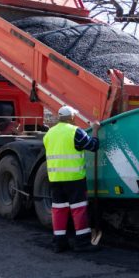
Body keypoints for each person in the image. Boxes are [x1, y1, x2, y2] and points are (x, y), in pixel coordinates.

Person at [43, 105, 100, 253]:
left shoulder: (49, 133)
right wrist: (95, 130)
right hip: (74, 179)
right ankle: (82, 243)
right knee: (78, 209)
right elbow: (93, 146)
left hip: (55, 178)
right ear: (72, 117)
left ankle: (59, 243)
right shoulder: (75, 131)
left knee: (59, 210)